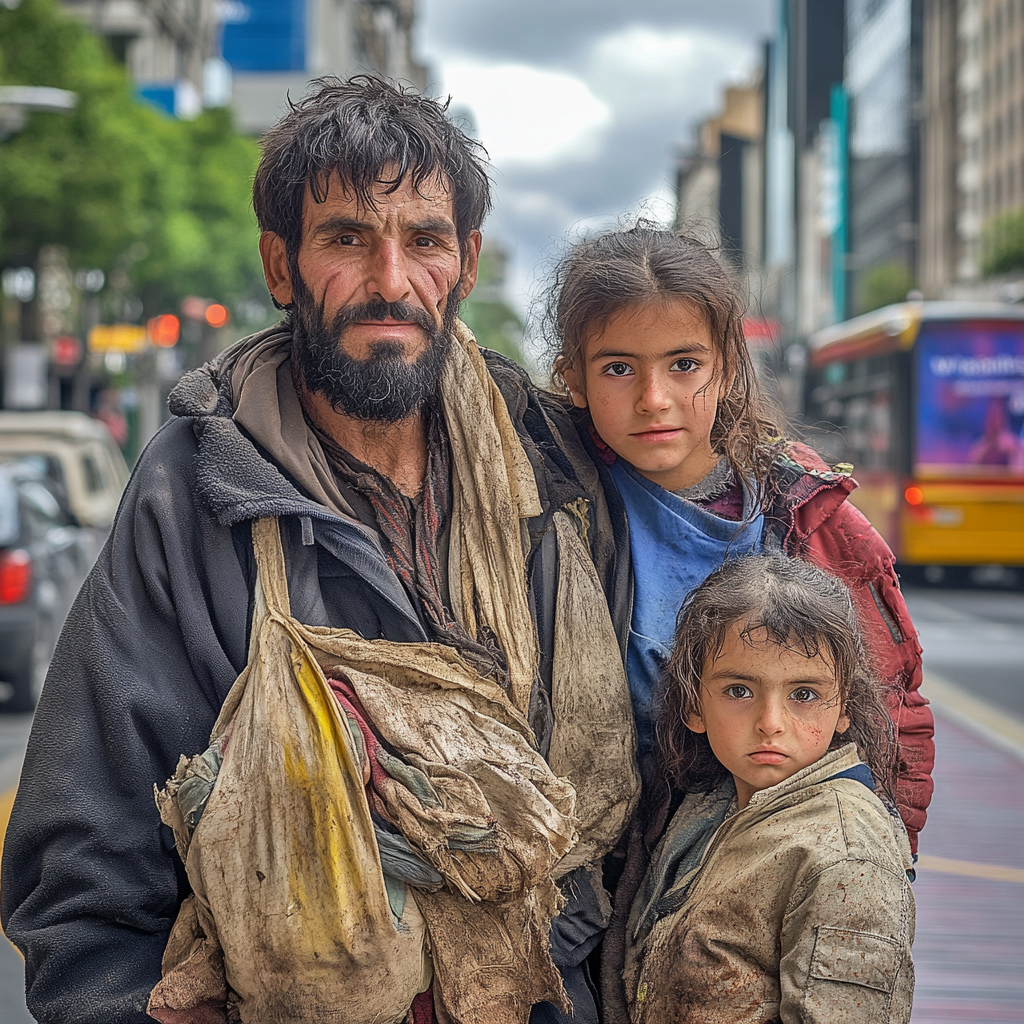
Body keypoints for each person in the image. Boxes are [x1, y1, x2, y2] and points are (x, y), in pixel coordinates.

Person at [0, 77, 638, 1024]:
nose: (390, 282)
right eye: (346, 238)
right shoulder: (198, 490)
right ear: (281, 264)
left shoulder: (553, 470)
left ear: (463, 263)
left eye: (423, 241)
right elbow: (84, 848)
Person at [548, 223, 934, 855]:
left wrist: (881, 860)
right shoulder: (546, 512)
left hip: (771, 863)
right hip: (592, 880)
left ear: (724, 370)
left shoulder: (812, 518)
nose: (654, 399)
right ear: (574, 378)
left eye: (684, 365)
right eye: (618, 368)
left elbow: (894, 715)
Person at [620, 555, 915, 1023]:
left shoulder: (845, 859)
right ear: (694, 705)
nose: (770, 724)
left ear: (843, 710)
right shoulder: (707, 807)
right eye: (739, 690)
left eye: (804, 694)